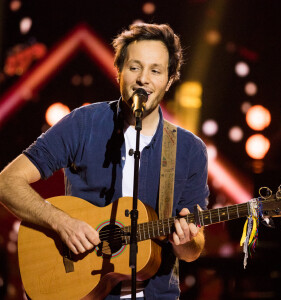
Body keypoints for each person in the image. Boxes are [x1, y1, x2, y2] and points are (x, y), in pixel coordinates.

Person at [0, 23, 209, 299]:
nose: (143, 79)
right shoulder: (83, 124)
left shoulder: (190, 150)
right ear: (118, 71)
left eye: (156, 70)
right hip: (81, 291)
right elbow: (6, 182)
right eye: (135, 67)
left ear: (169, 80)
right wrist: (61, 222)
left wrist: (187, 241)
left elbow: (194, 249)